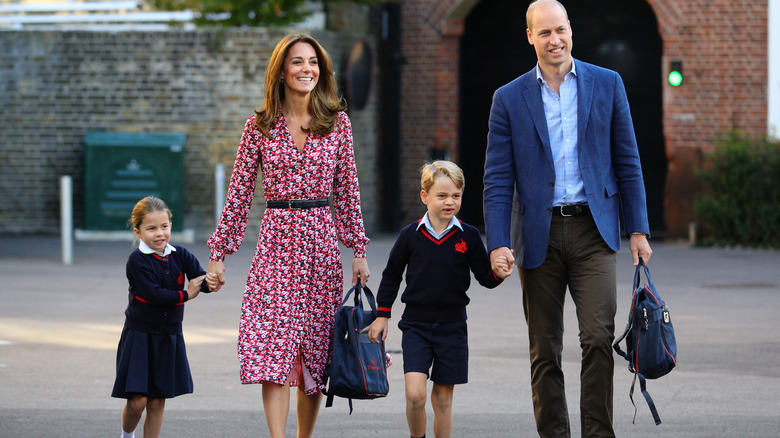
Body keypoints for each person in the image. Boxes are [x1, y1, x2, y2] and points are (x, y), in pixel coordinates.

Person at [482, 1, 654, 436]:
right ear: (530, 37)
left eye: (560, 30)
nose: (554, 40)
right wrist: (498, 241)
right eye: (544, 33)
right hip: (536, 233)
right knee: (545, 349)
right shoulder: (508, 98)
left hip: (594, 230)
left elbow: (628, 161)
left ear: (571, 31)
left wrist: (638, 229)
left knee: (598, 338)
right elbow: (497, 179)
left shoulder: (607, 83)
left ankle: (598, 433)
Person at [204, 34, 371, 438]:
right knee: (272, 349)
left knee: (314, 352)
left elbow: (347, 191)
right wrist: (219, 252)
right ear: (281, 70)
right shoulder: (259, 126)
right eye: (297, 62)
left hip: (320, 243)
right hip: (276, 243)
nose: (306, 69)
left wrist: (359, 250)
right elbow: (239, 194)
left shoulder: (338, 123)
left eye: (313, 62)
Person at [367, 161, 511, 438]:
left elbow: (485, 277)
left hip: (453, 328)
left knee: (443, 399)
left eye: (456, 196)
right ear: (425, 196)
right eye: (442, 196)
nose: (450, 202)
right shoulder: (410, 235)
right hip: (416, 327)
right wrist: (382, 315)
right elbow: (391, 275)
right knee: (415, 395)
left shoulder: (468, 235)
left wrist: (500, 274)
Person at [111, 196, 211, 438]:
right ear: (138, 231)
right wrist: (186, 294)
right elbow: (154, 295)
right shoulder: (137, 260)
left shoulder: (180, 254)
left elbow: (201, 280)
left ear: (170, 226)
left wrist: (213, 278)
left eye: (164, 226)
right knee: (137, 401)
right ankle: (127, 435)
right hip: (140, 336)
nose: (159, 234)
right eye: (151, 228)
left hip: (169, 336)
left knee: (157, 402)